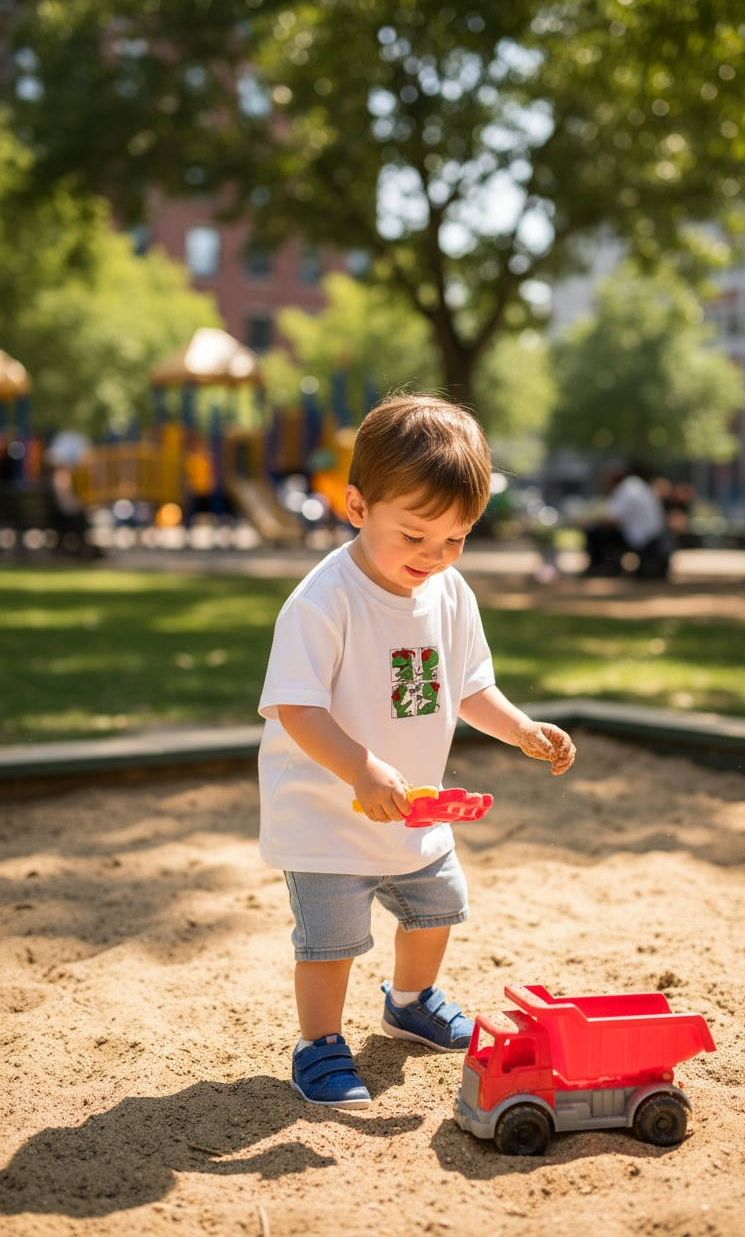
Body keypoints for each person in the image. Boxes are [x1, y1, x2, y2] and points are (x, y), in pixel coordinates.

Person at [258, 393, 576, 1110]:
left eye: (456, 538)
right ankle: (318, 1044)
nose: (434, 556)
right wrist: (360, 768)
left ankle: (410, 1002)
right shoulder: (324, 600)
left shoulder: (449, 593)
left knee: (437, 908)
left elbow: (470, 686)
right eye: (415, 535)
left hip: (415, 810)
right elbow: (296, 707)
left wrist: (521, 729)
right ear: (357, 507)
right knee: (332, 941)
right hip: (327, 814)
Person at [583, 460, 668, 577]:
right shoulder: (636, 485)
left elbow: (611, 519)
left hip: (641, 537)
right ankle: (610, 565)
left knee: (594, 532)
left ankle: (601, 567)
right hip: (652, 534)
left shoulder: (626, 489)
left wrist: (587, 520)